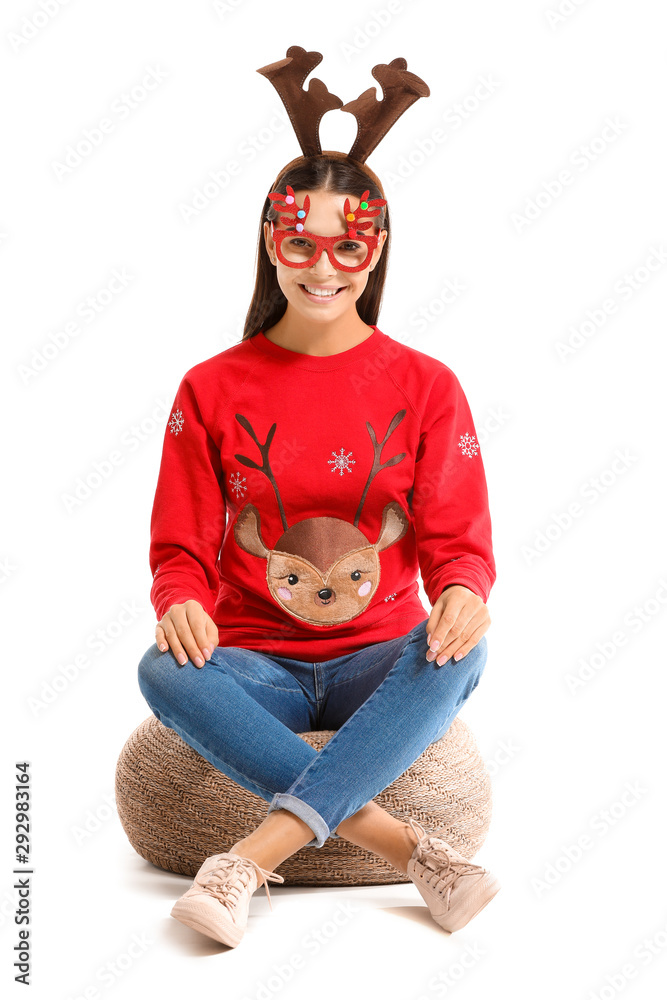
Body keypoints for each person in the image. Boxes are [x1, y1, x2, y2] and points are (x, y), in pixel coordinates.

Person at [136, 48, 500, 950]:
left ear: (376, 247)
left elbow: (458, 540)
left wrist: (462, 589)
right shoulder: (211, 387)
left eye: (350, 243)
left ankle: (248, 858)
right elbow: (180, 543)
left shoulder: (426, 385)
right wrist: (179, 598)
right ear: (271, 239)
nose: (324, 266)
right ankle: (411, 850)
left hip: (378, 655)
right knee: (157, 671)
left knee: (459, 657)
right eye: (301, 241)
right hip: (253, 663)